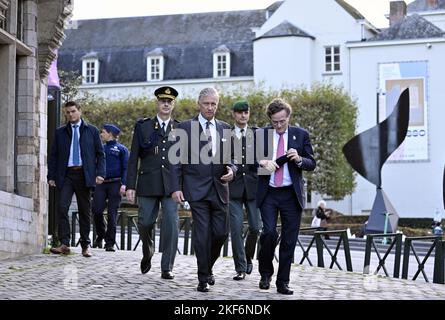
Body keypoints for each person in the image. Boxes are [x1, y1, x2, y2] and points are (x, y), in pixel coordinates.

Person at [170, 87, 237, 292]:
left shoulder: (225, 128)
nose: (210, 107)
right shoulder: (184, 128)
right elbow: (175, 162)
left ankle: (208, 268)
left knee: (221, 233)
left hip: (220, 189)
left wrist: (232, 170)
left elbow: (234, 157)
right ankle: (202, 278)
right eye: (206, 103)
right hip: (195, 189)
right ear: (199, 104)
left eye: (213, 104)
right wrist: (175, 188)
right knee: (202, 233)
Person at [256, 98, 316, 295]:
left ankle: (283, 282)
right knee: (269, 233)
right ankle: (265, 273)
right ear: (270, 120)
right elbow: (247, 163)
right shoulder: (261, 135)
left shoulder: (301, 134)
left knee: (289, 240)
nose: (279, 125)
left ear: (288, 117)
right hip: (269, 193)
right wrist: (262, 163)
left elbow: (311, 163)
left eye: (282, 121)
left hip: (291, 194)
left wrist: (299, 159)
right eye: (275, 122)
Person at [126, 86, 180, 279]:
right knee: (145, 222)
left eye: (169, 101)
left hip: (171, 186)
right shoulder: (143, 126)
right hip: (148, 183)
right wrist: (130, 185)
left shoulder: (180, 128)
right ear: (157, 103)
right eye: (162, 101)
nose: (166, 104)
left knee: (171, 225)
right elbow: (133, 158)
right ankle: (148, 250)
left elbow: (185, 161)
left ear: (173, 104)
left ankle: (167, 267)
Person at [48, 101, 105, 258]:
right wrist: (51, 176)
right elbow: (54, 156)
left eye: (73, 111)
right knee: (61, 207)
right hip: (66, 175)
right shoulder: (60, 132)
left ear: (79, 111)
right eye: (67, 112)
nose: (70, 114)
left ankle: (85, 245)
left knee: (84, 211)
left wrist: (100, 173)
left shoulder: (92, 131)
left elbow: (100, 154)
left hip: (84, 175)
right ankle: (64, 243)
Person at [228, 100, 262, 281]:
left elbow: (264, 162)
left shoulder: (257, 134)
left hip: (253, 187)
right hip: (233, 188)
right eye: (239, 112)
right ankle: (240, 267)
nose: (243, 115)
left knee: (256, 228)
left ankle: (248, 256)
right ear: (233, 114)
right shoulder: (225, 134)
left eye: (245, 112)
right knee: (235, 228)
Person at [92, 124, 129, 252]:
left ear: (110, 134)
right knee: (96, 210)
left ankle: (110, 243)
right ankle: (101, 234)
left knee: (112, 214)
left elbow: (126, 168)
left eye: (103, 132)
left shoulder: (121, 149)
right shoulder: (100, 148)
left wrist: (124, 184)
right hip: (101, 184)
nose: (101, 134)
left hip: (116, 184)